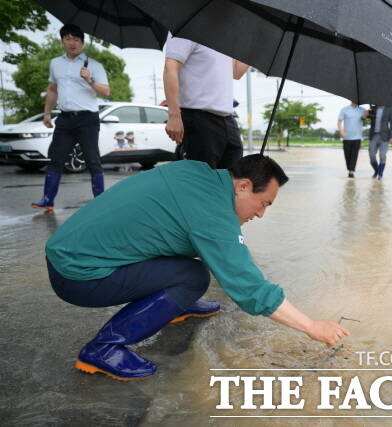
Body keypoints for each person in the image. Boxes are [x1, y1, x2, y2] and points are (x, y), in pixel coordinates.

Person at [45, 154, 350, 381]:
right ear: (243, 186)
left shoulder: (196, 172)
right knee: (190, 278)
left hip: (68, 251)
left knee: (191, 268)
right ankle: (104, 348)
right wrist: (311, 326)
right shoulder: (213, 216)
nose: (261, 214)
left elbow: (188, 229)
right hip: (78, 276)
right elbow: (249, 288)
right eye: (264, 203)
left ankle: (172, 307)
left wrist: (231, 229)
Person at [32, 24, 110, 212]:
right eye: (68, 38)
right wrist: (47, 113)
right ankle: (47, 200)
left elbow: (106, 92)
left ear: (82, 43)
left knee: (92, 160)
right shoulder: (55, 63)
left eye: (76, 39)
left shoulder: (94, 65)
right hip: (65, 119)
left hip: (88, 119)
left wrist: (89, 80)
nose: (72, 43)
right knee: (56, 159)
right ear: (63, 41)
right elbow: (52, 89)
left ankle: (101, 201)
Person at [163, 36, 249, 168]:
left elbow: (236, 72)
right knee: (202, 180)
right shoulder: (188, 30)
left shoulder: (226, 35)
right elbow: (170, 68)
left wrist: (258, 43)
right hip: (198, 117)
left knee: (232, 179)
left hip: (227, 118)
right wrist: (174, 115)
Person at [337, 102, 368, 178]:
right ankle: (349, 168)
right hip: (346, 137)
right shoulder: (344, 110)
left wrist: (367, 113)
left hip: (357, 137)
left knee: (354, 155)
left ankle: (351, 171)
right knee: (347, 155)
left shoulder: (362, 110)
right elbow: (339, 121)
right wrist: (341, 131)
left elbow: (364, 118)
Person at [368, 105, 392, 180]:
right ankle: (377, 171)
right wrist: (368, 113)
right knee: (372, 155)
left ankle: (380, 174)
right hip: (374, 135)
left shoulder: (389, 108)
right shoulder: (373, 108)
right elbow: (367, 117)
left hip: (384, 136)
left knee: (382, 155)